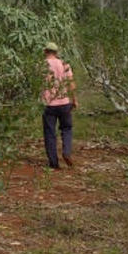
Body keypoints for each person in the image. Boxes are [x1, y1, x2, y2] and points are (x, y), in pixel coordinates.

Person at [41, 41, 76, 169]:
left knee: (50, 132)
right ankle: (66, 152)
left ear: (45, 51)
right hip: (64, 102)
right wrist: (74, 100)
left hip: (48, 104)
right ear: (56, 52)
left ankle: (54, 163)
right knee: (66, 128)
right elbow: (71, 83)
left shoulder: (41, 65)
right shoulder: (64, 64)